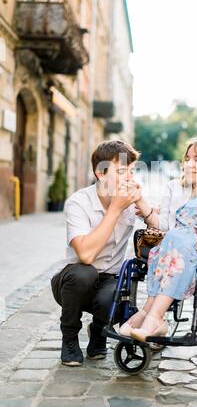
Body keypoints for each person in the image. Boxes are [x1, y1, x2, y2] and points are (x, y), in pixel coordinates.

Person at [119, 136, 197, 342]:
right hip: (172, 243)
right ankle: (153, 316)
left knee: (178, 245)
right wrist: (141, 201)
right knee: (172, 241)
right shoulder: (174, 187)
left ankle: (152, 315)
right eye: (187, 159)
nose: (190, 164)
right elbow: (164, 225)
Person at [51, 140, 141, 366]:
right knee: (85, 273)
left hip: (109, 279)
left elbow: (160, 225)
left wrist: (145, 205)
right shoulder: (79, 202)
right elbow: (86, 256)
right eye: (122, 171)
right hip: (72, 281)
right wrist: (114, 210)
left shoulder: (130, 202)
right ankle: (69, 338)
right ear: (101, 174)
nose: (129, 177)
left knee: (118, 299)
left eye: (132, 171)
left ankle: (100, 331)